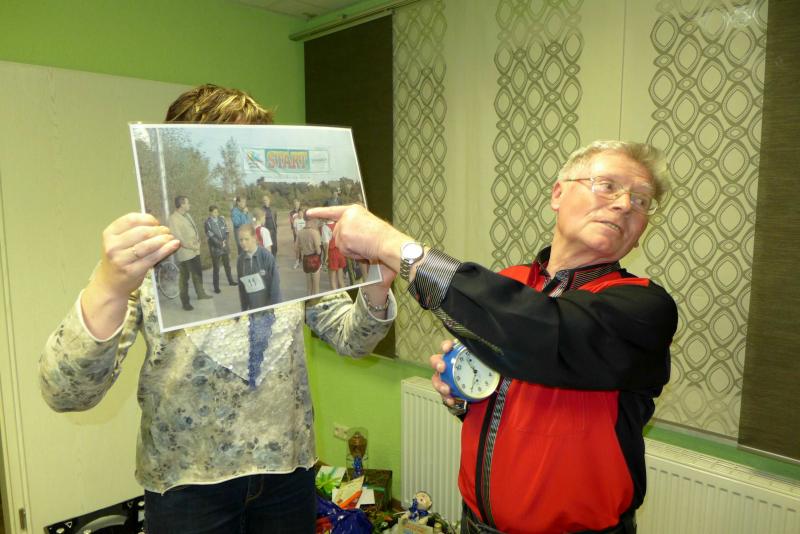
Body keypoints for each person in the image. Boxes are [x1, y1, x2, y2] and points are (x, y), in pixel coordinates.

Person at [39, 83, 397, 534]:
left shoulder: (275, 257)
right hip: (188, 484)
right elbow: (65, 392)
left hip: (287, 472)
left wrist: (377, 287)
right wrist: (108, 286)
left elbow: (353, 340)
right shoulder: (143, 259)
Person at [309, 140, 679, 534]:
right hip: (475, 524)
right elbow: (516, 392)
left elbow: (540, 333)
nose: (624, 205)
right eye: (607, 186)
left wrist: (391, 245)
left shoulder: (644, 307)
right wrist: (463, 398)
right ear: (558, 193)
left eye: (641, 200)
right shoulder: (511, 284)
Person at [168, 195, 212, 311]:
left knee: (197, 273)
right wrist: (192, 246)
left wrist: (198, 242)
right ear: (181, 204)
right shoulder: (173, 219)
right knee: (184, 278)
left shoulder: (187, 215)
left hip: (195, 250)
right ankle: (185, 302)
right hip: (185, 253)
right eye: (187, 203)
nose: (189, 205)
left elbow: (194, 230)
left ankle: (201, 294)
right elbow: (178, 237)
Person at [236, 223, 280, 311]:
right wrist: (244, 310)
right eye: (241, 240)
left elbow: (275, 286)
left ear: (254, 238)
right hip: (252, 309)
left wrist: (276, 309)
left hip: (268, 308)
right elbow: (242, 288)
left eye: (246, 239)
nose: (243, 243)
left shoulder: (266, 256)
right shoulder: (240, 260)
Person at [204, 204, 237, 293]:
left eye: (217, 212)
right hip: (215, 249)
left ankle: (231, 281)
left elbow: (226, 231)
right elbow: (210, 236)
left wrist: (225, 241)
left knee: (227, 265)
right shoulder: (207, 223)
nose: (216, 214)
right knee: (216, 268)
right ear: (210, 213)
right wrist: (220, 243)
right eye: (214, 212)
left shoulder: (222, 220)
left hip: (224, 246)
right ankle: (216, 287)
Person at [296, 212, 322, 296]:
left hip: (305, 259)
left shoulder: (300, 232)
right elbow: (318, 251)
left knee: (309, 288)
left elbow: (296, 247)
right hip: (314, 259)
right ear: (312, 219)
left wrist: (303, 248)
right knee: (316, 288)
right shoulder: (314, 232)